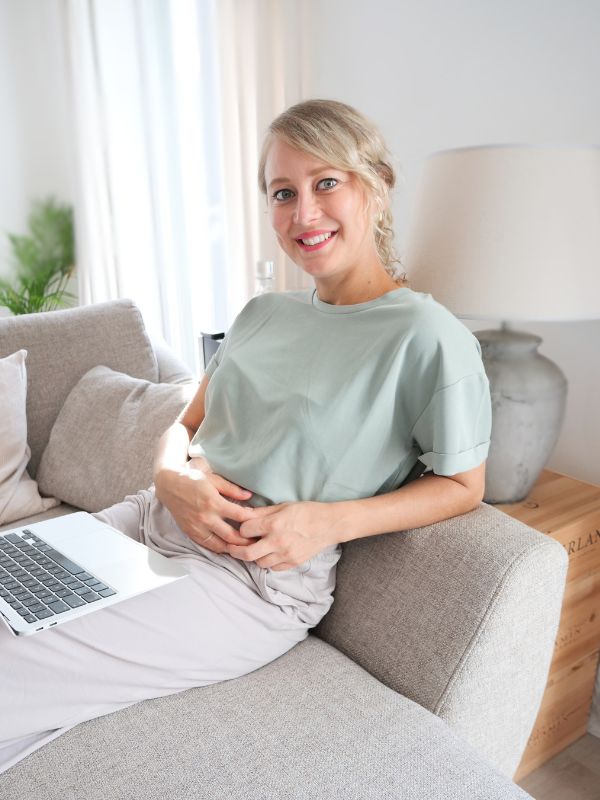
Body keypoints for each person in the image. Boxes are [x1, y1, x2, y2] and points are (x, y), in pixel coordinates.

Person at [0, 99, 491, 774]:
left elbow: (464, 485)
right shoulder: (263, 314)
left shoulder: (428, 337)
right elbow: (187, 422)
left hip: (249, 580)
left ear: (376, 186)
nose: (304, 214)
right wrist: (170, 474)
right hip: (147, 519)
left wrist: (329, 522)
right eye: (282, 193)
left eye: (326, 183)